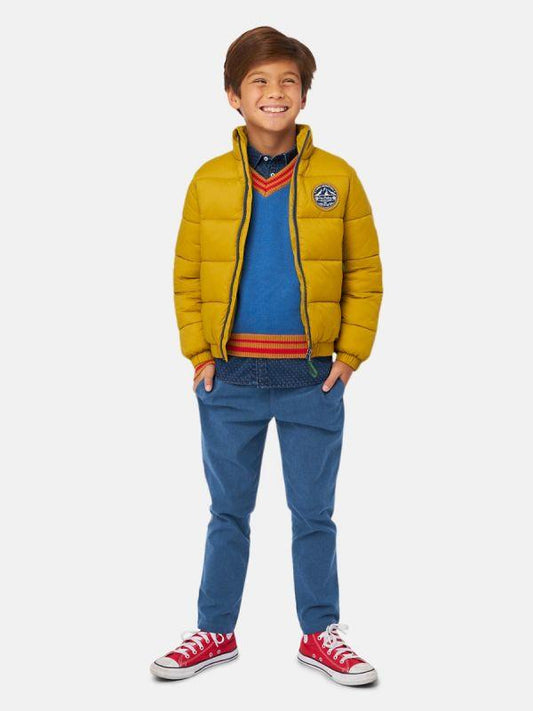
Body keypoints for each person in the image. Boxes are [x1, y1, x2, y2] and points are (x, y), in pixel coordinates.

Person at [150, 25, 383, 686]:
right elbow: (186, 274)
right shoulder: (207, 181)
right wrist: (199, 355)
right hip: (229, 377)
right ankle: (215, 629)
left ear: (304, 95)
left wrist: (350, 355)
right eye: (258, 81)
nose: (273, 92)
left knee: (314, 513)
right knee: (228, 512)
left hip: (312, 377)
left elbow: (364, 272)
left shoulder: (336, 179)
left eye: (287, 81)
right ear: (233, 95)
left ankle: (320, 632)